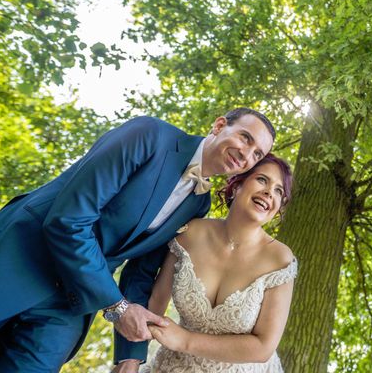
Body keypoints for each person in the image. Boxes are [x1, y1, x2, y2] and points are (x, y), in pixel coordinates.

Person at [0, 108, 276, 372]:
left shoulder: (198, 204)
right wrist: (117, 307)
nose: (247, 154)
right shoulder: (149, 135)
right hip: (22, 258)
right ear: (219, 126)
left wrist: (130, 357)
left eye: (258, 153)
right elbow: (68, 220)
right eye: (245, 137)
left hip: (72, 302)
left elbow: (142, 272)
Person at [115, 154, 296, 373]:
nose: (270, 192)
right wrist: (130, 360)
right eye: (262, 180)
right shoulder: (190, 233)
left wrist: (185, 341)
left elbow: (263, 348)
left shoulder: (280, 260)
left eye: (279, 190)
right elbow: (155, 302)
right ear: (237, 184)